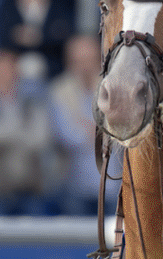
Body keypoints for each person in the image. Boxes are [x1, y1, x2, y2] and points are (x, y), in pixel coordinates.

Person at [0, 50, 59, 215]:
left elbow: (41, 138)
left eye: (8, 69)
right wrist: (20, 132)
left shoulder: (33, 99)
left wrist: (2, 131)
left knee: (36, 236)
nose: (4, 74)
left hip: (29, 189)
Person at [49, 34, 115, 216]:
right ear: (69, 62)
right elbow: (66, 136)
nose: (85, 66)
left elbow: (120, 134)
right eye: (78, 61)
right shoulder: (59, 90)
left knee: (113, 241)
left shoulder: (115, 88)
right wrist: (101, 130)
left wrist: (85, 127)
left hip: (112, 184)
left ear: (100, 60)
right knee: (76, 240)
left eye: (89, 60)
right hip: (74, 185)